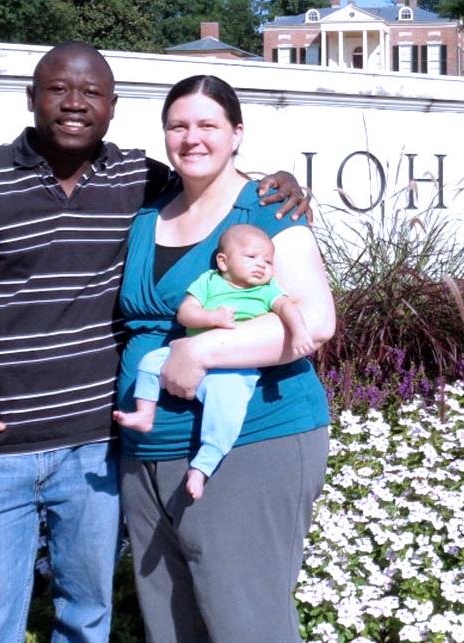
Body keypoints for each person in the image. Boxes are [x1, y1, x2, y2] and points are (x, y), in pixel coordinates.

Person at [0, 42, 308, 642]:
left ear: (112, 107)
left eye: (91, 93)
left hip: (95, 449)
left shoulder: (138, 178)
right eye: (59, 89)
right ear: (31, 97)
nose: (74, 103)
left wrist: (281, 183)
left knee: (87, 621)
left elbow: (213, 177)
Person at [115, 74, 334, 642]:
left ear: (237, 134)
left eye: (208, 125)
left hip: (251, 444)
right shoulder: (146, 217)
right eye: (178, 126)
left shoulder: (267, 209)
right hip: (146, 454)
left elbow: (314, 320)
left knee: (246, 626)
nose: (192, 138)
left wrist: (202, 349)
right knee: (170, 628)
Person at [113, 223, 316, 500]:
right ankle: (145, 413)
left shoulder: (266, 290)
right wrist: (212, 319)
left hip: (233, 366)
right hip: (185, 350)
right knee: (149, 363)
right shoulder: (209, 281)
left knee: (226, 407)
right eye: (251, 257)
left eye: (268, 261)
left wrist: (300, 331)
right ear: (223, 261)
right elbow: (186, 313)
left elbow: (288, 308)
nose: (261, 265)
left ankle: (203, 464)